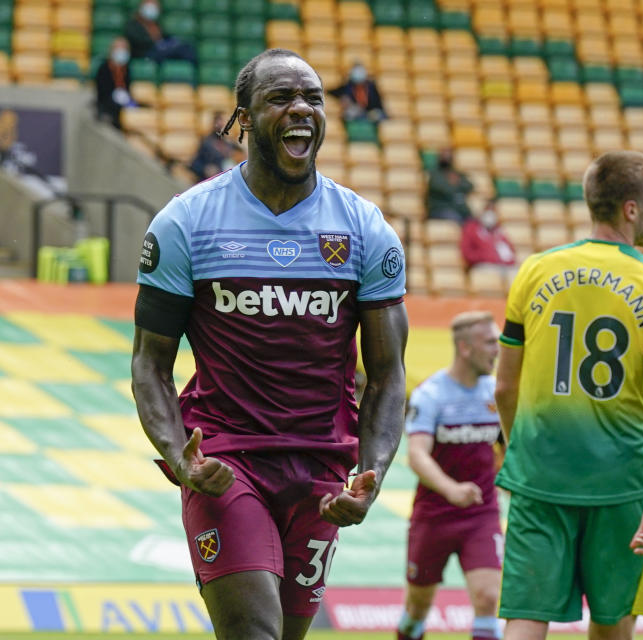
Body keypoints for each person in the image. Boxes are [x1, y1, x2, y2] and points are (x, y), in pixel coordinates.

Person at [130, 48, 409, 640]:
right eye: (281, 97)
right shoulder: (186, 224)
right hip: (226, 463)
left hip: (322, 472)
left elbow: (387, 375)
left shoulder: (364, 230)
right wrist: (181, 454)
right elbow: (150, 363)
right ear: (245, 118)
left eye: (312, 97)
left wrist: (373, 471)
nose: (302, 108)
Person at [493, 150, 643, 639]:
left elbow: (504, 385)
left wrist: (527, 451)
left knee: (524, 621)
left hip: (539, 475)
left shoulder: (535, 269)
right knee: (612, 624)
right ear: (631, 209)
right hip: (620, 481)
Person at [398, 311, 505, 640]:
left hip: (481, 514)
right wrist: (451, 489)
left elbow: (509, 448)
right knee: (418, 607)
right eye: (489, 342)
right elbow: (416, 454)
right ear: (465, 348)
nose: (497, 350)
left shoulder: (497, 394)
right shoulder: (431, 394)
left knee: (488, 599)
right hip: (434, 516)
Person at [124, 0, 197, 64]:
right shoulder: (133, 24)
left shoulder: (156, 24)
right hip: (146, 54)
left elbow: (164, 36)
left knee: (185, 47)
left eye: (154, 5)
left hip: (160, 50)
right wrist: (157, 43)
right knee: (177, 49)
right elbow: (137, 40)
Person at [461, 199, 517, 271]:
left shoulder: (499, 231)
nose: (490, 215)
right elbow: (467, 252)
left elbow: (510, 252)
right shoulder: (472, 228)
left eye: (493, 211)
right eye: (487, 210)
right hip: (483, 265)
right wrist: (485, 257)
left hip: (503, 266)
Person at [189, 112, 245, 181]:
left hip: (228, 179)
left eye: (223, 121)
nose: (221, 124)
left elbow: (241, 155)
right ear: (213, 124)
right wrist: (206, 169)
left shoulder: (229, 143)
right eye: (218, 121)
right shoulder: (206, 143)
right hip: (212, 180)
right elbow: (195, 164)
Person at [95, 37, 135, 130]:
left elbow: (128, 88)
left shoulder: (127, 69)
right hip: (108, 106)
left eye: (124, 49)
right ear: (112, 51)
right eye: (119, 49)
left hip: (123, 105)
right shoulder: (104, 69)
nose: (121, 51)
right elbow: (102, 93)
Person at [426, 148, 474, 223]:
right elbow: (445, 189)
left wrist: (457, 182)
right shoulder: (435, 174)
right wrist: (455, 184)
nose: (447, 158)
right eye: (444, 156)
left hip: (459, 209)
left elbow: (469, 186)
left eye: (449, 156)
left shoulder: (455, 172)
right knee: (456, 219)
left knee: (473, 222)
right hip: (440, 209)